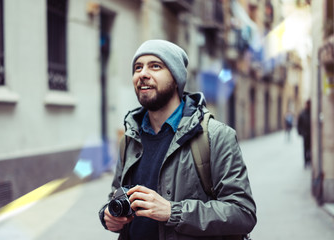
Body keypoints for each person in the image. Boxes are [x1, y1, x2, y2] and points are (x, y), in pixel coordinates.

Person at [98, 39, 257, 240]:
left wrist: (173, 212)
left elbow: (243, 213)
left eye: (155, 66)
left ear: (176, 79)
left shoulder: (216, 136)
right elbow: (116, 195)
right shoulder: (130, 138)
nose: (143, 74)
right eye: (138, 67)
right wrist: (109, 216)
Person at [297, 100, 311, 168]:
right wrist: (300, 132)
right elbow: (299, 124)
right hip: (305, 134)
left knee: (310, 148)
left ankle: (309, 160)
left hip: (311, 134)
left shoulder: (312, 113)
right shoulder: (302, 113)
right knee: (305, 148)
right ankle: (306, 161)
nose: (307, 106)